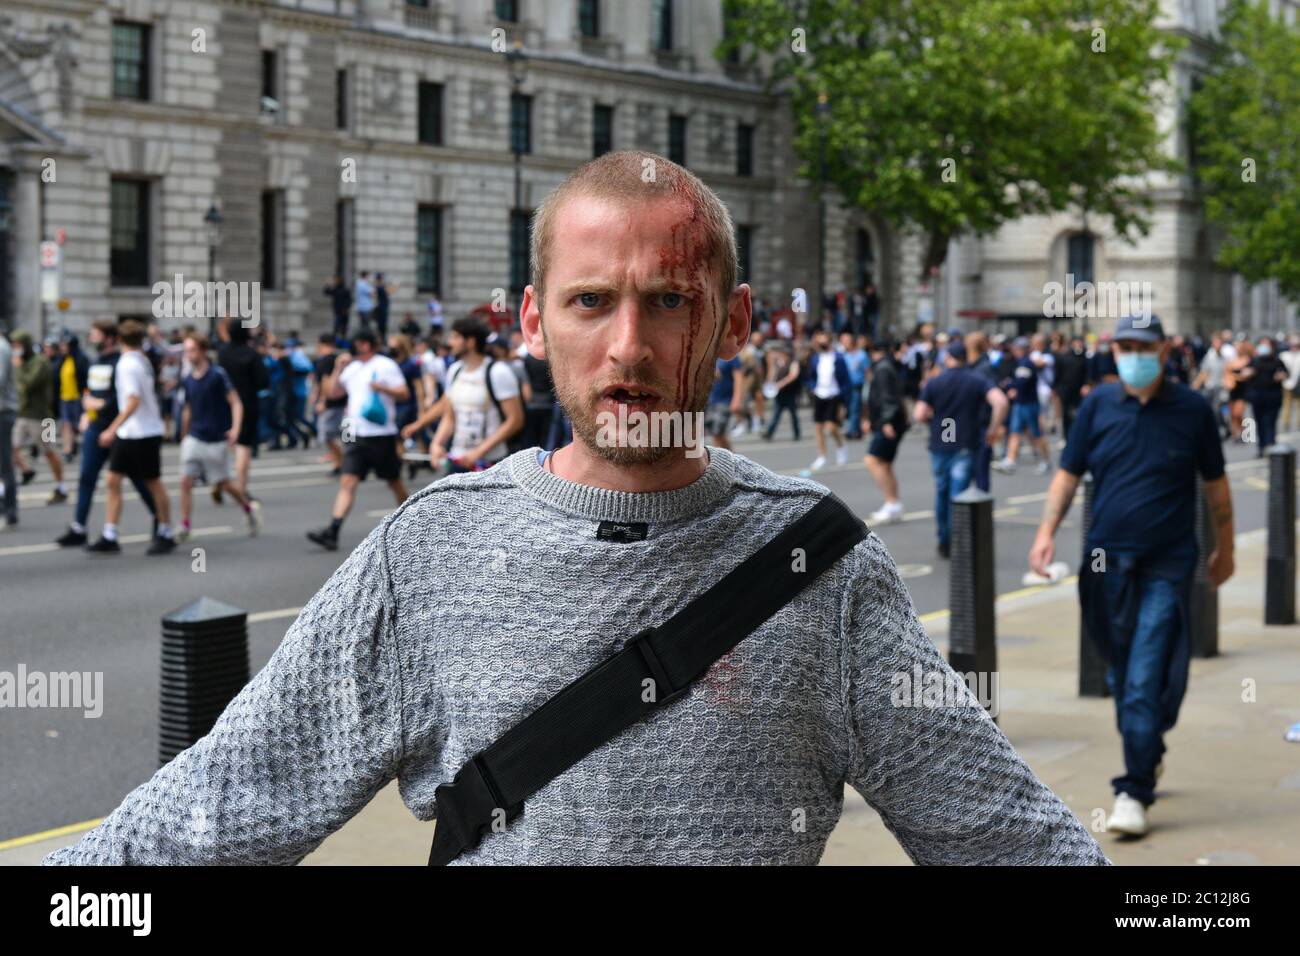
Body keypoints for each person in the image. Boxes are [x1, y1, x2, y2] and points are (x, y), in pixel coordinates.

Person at [46, 150, 1108, 866]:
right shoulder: (429, 555)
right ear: (531, 318)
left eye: (670, 301)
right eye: (592, 300)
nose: (630, 347)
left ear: (734, 321)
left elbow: (1011, 839)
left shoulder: (824, 575)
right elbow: (204, 817)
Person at [1029, 315, 1234, 838]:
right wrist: (1046, 531)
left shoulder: (1192, 409)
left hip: (1168, 561)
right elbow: (1068, 474)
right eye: (1123, 346)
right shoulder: (1098, 404)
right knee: (1122, 674)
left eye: (1142, 346)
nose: (1132, 354)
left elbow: (1216, 487)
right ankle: (1149, 749)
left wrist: (1225, 549)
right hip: (1103, 563)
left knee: (1143, 675)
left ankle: (1133, 788)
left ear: (1164, 351)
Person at [54, 321, 158, 547]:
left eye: (96, 335)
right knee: (86, 478)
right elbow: (89, 391)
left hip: (118, 430)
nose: (92, 338)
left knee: (137, 478)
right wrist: (86, 412)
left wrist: (101, 406)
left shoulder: (122, 363)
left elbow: (123, 399)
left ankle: (160, 520)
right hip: (95, 428)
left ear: (110, 338)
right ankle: (79, 527)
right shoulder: (95, 362)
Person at [306, 330, 410, 551]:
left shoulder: (385, 365)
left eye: (356, 343)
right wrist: (338, 368)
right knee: (348, 481)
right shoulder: (351, 368)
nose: (352, 348)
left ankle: (414, 521)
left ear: (366, 345)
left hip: (381, 435)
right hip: (355, 435)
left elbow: (404, 393)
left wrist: (382, 388)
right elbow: (333, 393)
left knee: (394, 481)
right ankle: (333, 530)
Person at [913, 342, 1009, 558]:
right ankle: (958, 539)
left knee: (941, 490)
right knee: (959, 494)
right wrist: (993, 429)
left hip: (940, 442)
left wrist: (933, 419)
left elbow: (919, 414)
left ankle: (944, 539)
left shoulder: (935, 382)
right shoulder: (976, 379)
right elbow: (1000, 402)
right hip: (965, 442)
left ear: (948, 358)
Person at [88, 320, 175, 555]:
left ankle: (165, 531)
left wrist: (111, 429)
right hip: (134, 431)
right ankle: (110, 534)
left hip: (141, 431)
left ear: (118, 339)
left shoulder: (127, 364)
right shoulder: (142, 360)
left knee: (152, 482)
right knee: (113, 480)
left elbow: (133, 401)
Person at [176, 333, 261, 541]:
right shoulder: (187, 379)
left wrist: (235, 429)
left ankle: (248, 509)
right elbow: (188, 409)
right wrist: (183, 436)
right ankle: (185, 525)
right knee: (186, 481)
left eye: (192, 350)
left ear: (203, 350)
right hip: (195, 438)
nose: (188, 355)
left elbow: (235, 402)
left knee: (225, 484)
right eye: (186, 351)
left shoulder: (217, 375)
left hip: (216, 439)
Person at [427, 318, 524, 474]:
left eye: (455, 337)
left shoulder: (498, 372)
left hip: (490, 463)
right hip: (457, 460)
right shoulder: (455, 370)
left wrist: (478, 452)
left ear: (470, 342)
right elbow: (449, 417)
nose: (450, 342)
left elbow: (515, 420)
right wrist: (437, 443)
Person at [9, 330, 67, 503]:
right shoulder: (20, 362)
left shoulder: (40, 362)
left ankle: (60, 486)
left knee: (49, 452)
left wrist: (18, 367)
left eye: (18, 345)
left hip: (42, 417)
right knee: (9, 448)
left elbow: (28, 384)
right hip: (22, 415)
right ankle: (27, 470)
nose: (15, 349)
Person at [216, 318, 269, 500]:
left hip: (224, 404)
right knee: (243, 447)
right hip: (247, 404)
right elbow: (263, 381)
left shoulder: (222, 353)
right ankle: (241, 487)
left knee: (224, 444)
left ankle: (220, 482)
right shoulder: (251, 354)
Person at [863, 339, 907, 524]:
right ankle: (893, 504)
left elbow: (888, 398)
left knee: (872, 460)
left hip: (888, 422)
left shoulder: (882, 369)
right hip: (891, 421)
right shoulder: (887, 367)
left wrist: (886, 422)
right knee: (885, 464)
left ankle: (891, 503)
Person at [993, 337, 1052, 474]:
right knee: (1015, 432)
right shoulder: (1020, 362)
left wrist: (1010, 385)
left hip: (1029, 403)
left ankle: (1045, 460)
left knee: (1036, 433)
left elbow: (1022, 381)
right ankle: (1010, 460)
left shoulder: (1026, 363)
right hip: (1021, 403)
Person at [803, 329, 850, 470]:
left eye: (824, 340)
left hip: (833, 395)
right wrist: (812, 387)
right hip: (819, 394)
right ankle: (822, 456)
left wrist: (843, 399)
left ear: (829, 341)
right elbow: (810, 376)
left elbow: (845, 380)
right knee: (818, 427)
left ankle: (841, 446)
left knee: (831, 427)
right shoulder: (816, 358)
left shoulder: (838, 358)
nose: (821, 343)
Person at [1239, 335, 1286, 455]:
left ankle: (1270, 445)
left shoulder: (1277, 361)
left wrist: (1281, 376)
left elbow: (1285, 373)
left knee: (1270, 421)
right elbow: (1243, 373)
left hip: (1273, 396)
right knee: (1259, 422)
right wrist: (1248, 373)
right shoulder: (1254, 361)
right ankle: (1261, 446)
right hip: (1257, 396)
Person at [311, 334, 347, 475]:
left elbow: (325, 384)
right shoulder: (338, 359)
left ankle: (341, 463)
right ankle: (340, 463)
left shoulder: (324, 361)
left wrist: (322, 402)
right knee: (341, 436)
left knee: (327, 435)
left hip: (331, 404)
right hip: (342, 403)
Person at [56, 331, 89, 462]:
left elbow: (85, 379)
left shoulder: (81, 359)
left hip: (78, 398)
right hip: (65, 398)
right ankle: (68, 451)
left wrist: (85, 395)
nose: (62, 347)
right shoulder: (63, 360)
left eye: (65, 345)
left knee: (80, 425)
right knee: (66, 425)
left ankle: (86, 448)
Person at [704, 351, 745, 451]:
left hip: (725, 400)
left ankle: (721, 462)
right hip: (712, 400)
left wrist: (737, 399)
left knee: (717, 433)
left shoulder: (732, 356)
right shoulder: (712, 356)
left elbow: (739, 379)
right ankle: (734, 459)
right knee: (717, 434)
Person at [761, 341, 801, 441]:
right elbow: (772, 374)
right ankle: (769, 433)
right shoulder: (778, 363)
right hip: (779, 393)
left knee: (793, 414)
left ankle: (797, 433)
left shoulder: (793, 363)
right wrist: (769, 383)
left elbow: (792, 376)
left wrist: (780, 384)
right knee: (776, 414)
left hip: (790, 393)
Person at [0, 332, 17, 530]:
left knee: (47, 448)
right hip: (20, 414)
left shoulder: (2, 347)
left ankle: (10, 507)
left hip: (44, 416)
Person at [841, 331, 869, 440]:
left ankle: (853, 431)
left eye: (846, 341)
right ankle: (855, 429)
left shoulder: (861, 355)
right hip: (846, 386)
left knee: (855, 408)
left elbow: (867, 371)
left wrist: (868, 385)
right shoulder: (845, 355)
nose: (844, 343)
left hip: (857, 385)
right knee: (849, 408)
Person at [324, 275, 353, 340]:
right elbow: (326, 292)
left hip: (344, 311)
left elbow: (349, 300)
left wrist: (346, 308)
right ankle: (335, 338)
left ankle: (342, 338)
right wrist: (327, 285)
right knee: (337, 324)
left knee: (344, 325)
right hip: (337, 310)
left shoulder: (345, 290)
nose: (335, 282)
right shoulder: (335, 289)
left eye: (337, 281)